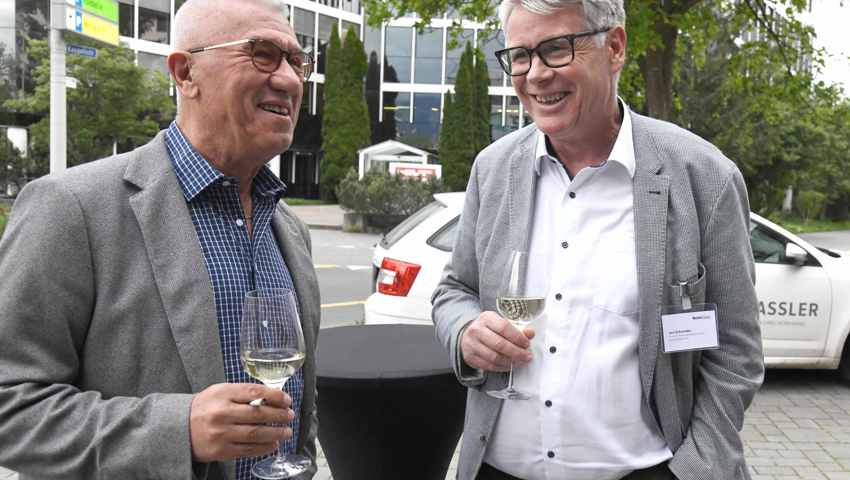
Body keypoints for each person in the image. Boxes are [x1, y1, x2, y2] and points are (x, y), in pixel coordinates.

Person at [431, 1, 764, 479]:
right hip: (498, 469)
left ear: (615, 47)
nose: (536, 74)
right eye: (520, 55)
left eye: (557, 48)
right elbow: (454, 290)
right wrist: (466, 332)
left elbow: (735, 354)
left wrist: (693, 469)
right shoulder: (493, 168)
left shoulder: (704, 177)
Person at [0, 0, 320, 478]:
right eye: (262, 54)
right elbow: (10, 405)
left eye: (296, 61)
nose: (290, 80)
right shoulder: (71, 208)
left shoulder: (289, 228)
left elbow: (300, 407)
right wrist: (176, 431)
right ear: (185, 73)